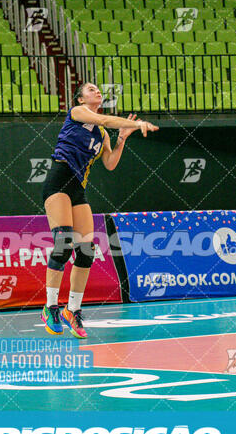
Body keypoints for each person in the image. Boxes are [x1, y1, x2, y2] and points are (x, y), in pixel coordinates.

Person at [42, 82, 159, 338]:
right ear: (81, 98)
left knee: (86, 251)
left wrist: (121, 140)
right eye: (91, 89)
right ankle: (50, 306)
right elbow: (104, 118)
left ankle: (72, 311)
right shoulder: (77, 113)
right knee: (64, 244)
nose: (97, 92)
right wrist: (136, 124)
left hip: (78, 190)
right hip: (58, 184)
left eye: (97, 89)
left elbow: (109, 163)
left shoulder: (103, 134)